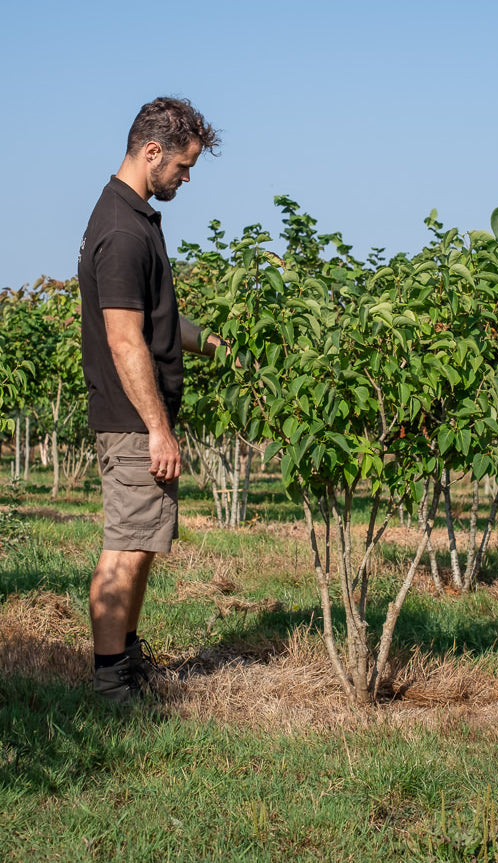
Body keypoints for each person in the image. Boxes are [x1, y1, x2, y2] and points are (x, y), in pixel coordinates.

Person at [78, 97, 223, 703]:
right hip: (134, 419)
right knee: (126, 548)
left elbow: (155, 320)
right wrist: (158, 429)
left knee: (141, 546)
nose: (186, 179)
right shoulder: (122, 227)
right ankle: (114, 685)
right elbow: (124, 336)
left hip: (137, 418)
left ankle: (127, 660)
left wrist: (210, 343)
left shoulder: (132, 219)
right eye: (183, 166)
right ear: (153, 151)